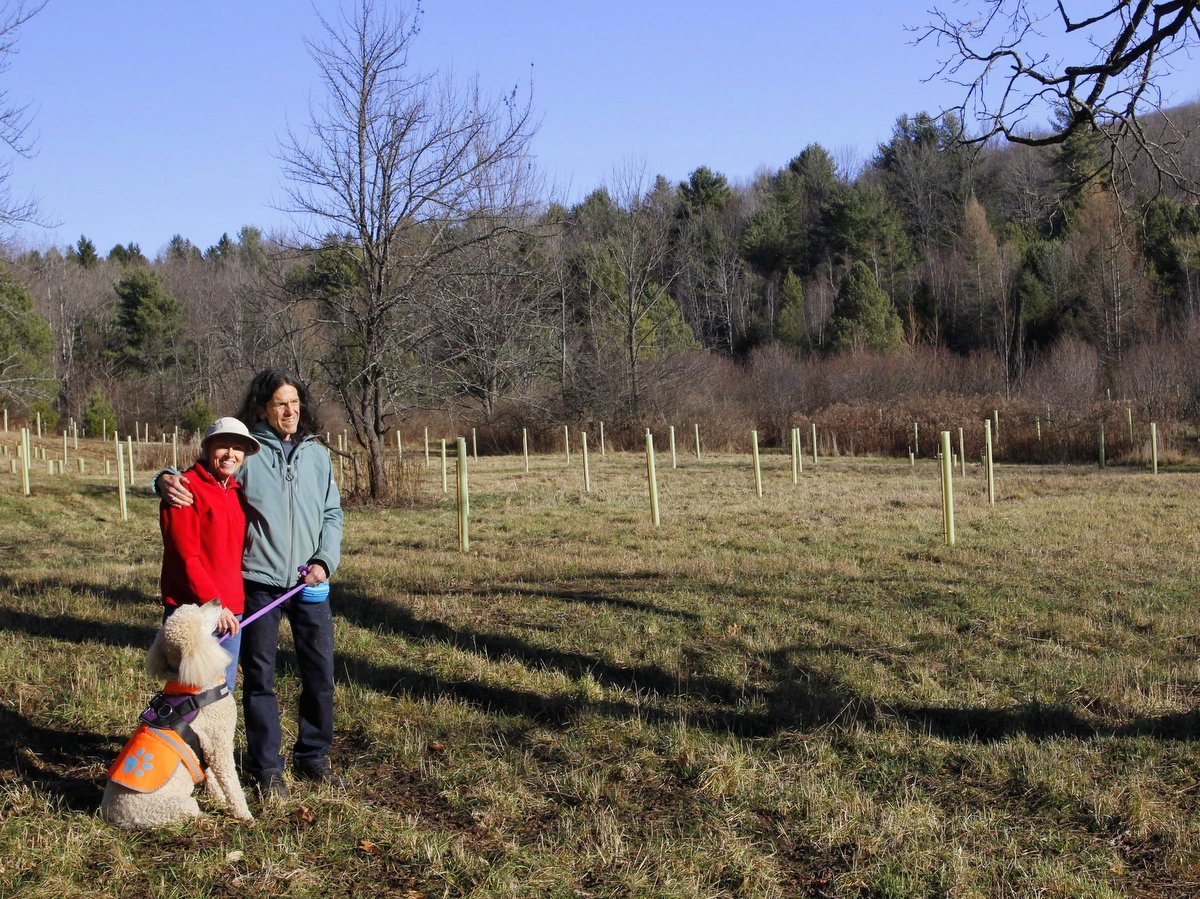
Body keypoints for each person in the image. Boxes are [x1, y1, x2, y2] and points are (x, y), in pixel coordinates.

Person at [158, 369, 344, 800]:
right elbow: (204, 478)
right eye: (280, 403)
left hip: (309, 585)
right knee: (261, 679)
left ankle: (313, 757)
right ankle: (266, 768)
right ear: (263, 408)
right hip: (257, 585)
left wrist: (324, 560)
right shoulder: (249, 452)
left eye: (295, 402)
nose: (290, 411)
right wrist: (164, 479)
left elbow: (333, 513)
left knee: (320, 675)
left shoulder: (318, 454)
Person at [160, 416, 260, 692]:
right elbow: (184, 556)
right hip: (194, 611)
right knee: (187, 693)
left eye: (237, 449)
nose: (230, 454)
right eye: (223, 446)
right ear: (207, 449)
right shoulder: (185, 489)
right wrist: (214, 603)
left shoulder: (237, 492)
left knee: (221, 693)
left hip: (232, 611)